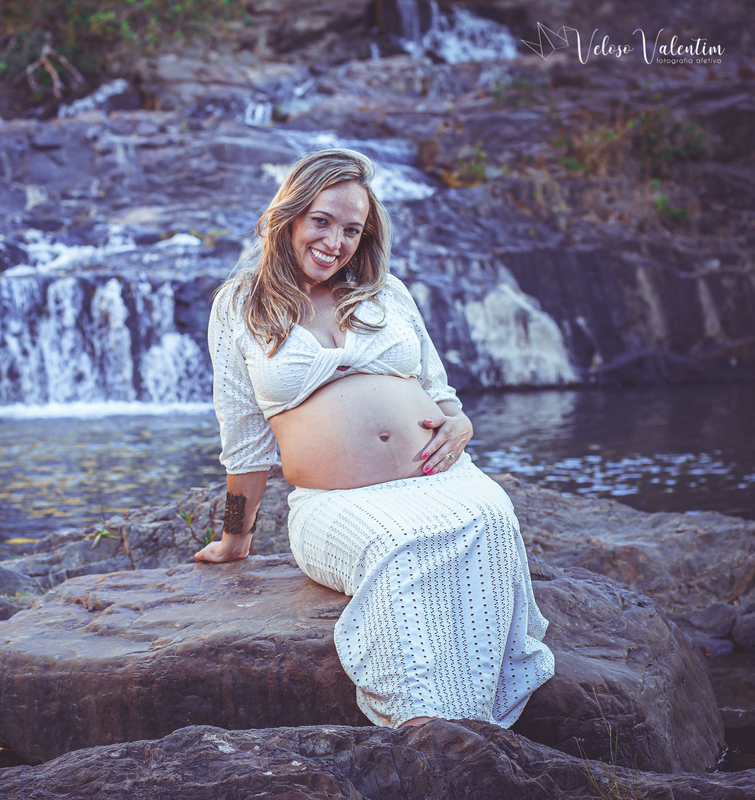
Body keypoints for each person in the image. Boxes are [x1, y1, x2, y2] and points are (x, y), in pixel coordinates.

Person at [193, 148, 554, 730]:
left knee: (490, 517)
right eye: (322, 221)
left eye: (352, 230)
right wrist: (236, 537)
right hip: (336, 503)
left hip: (440, 479)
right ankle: (433, 732)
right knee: (400, 544)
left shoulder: (388, 293)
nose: (335, 242)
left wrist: (460, 425)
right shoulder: (240, 304)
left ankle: (483, 728)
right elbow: (244, 441)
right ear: (289, 215)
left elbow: (441, 394)